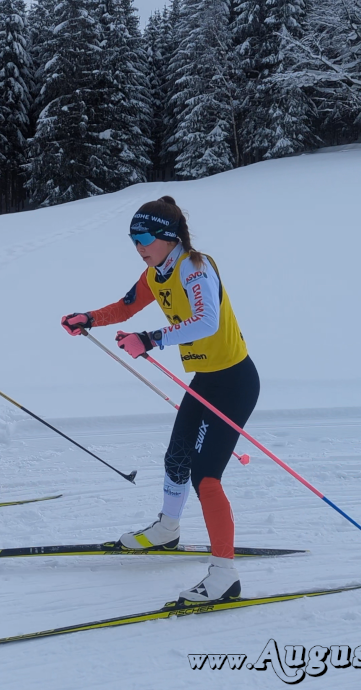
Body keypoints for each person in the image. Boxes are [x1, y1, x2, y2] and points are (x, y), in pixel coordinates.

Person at [60, 196, 260, 604]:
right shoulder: (156, 272)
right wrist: (90, 318)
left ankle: (225, 576)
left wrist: (152, 340)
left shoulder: (195, 267)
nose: (139, 246)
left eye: (145, 237)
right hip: (207, 379)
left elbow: (207, 321)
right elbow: (126, 306)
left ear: (169, 237)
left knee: (206, 477)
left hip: (235, 381)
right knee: (176, 457)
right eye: (133, 239)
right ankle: (168, 530)